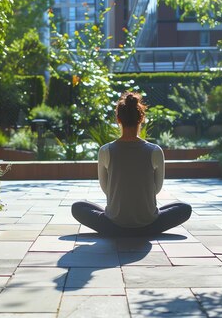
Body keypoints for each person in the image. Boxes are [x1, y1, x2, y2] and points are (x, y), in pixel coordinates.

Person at [71, 91, 192, 237]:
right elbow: (156, 189)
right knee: (184, 208)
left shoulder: (105, 150)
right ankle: (141, 229)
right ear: (141, 118)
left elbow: (106, 189)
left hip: (113, 224)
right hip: (149, 224)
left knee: (78, 207)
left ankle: (119, 228)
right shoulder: (155, 150)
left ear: (118, 119)